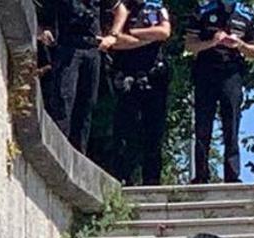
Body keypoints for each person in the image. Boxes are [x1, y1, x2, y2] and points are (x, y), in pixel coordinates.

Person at [185, 0, 254, 184]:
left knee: (232, 124)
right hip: (206, 71)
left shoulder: (246, 15)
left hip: (232, 74)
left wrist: (239, 44)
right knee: (203, 125)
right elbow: (190, 45)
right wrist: (213, 42)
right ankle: (201, 174)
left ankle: (232, 175)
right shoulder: (203, 11)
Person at [39, 0, 129, 155]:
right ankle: (58, 152)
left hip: (92, 50)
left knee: (87, 105)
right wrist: (45, 31)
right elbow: (43, 19)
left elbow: (121, 10)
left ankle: (79, 155)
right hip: (67, 47)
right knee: (63, 100)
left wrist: (112, 36)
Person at [108, 0, 173, 185]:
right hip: (127, 76)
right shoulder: (120, 8)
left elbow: (164, 32)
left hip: (154, 77)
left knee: (153, 132)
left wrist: (132, 34)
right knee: (125, 131)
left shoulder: (157, 7)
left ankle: (152, 180)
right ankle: (123, 177)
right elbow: (114, 42)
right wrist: (148, 37)